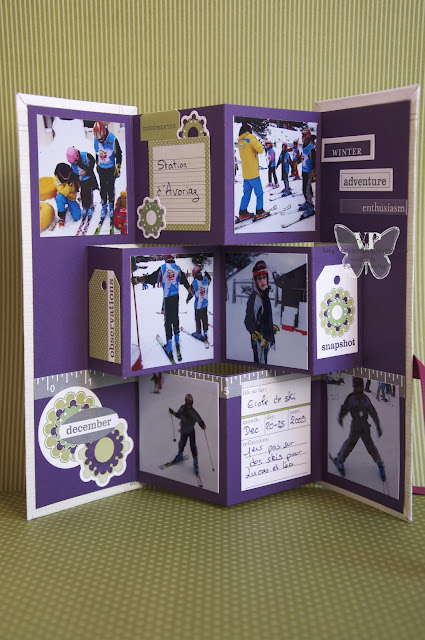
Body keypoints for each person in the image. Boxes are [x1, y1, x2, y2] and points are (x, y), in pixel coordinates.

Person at [133, 255, 190, 361]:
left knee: (168, 322)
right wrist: (189, 290)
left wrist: (140, 279)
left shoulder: (163, 268)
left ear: (166, 260)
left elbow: (152, 279)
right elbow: (185, 281)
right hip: (176, 297)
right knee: (175, 318)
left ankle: (169, 346)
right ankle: (177, 340)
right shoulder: (177, 268)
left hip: (167, 298)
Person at [332, 377, 386, 481]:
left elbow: (373, 412)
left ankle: (379, 463)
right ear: (354, 387)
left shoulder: (365, 399)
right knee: (350, 444)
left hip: (365, 426)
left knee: (370, 446)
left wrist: (378, 425)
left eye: (361, 386)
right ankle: (340, 459)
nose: (359, 388)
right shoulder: (351, 398)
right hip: (355, 426)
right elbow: (344, 408)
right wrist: (341, 417)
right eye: (357, 387)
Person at [244, 260, 279, 364]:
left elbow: (264, 315)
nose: (263, 281)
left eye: (264, 277)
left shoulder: (264, 294)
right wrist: (259, 337)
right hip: (259, 342)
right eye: (259, 278)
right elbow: (248, 321)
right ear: (255, 281)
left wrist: (270, 327)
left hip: (266, 339)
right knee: (261, 364)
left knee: (265, 361)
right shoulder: (255, 298)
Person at [93, 121, 122, 229]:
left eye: (101, 138)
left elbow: (119, 154)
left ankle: (111, 204)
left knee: (110, 187)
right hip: (102, 168)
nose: (100, 140)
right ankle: (104, 205)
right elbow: (97, 153)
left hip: (110, 169)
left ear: (104, 133)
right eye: (98, 139)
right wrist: (97, 163)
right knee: (103, 188)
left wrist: (118, 167)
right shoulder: (96, 139)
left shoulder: (112, 140)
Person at [169, 394, 206, 475]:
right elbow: (179, 415)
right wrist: (173, 412)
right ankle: (180, 455)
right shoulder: (182, 408)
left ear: (192, 403)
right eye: (187, 402)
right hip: (184, 430)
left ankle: (195, 463)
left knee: (193, 446)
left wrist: (202, 425)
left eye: (190, 403)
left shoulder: (193, 411)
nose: (188, 404)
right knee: (181, 443)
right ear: (185, 402)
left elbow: (198, 419)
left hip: (191, 431)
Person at [237, 122, 265, 221]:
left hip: (246, 174)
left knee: (246, 194)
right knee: (259, 193)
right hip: (253, 173)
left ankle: (242, 212)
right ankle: (260, 211)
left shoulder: (240, 141)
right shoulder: (251, 138)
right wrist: (258, 142)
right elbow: (260, 150)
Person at [65, 146, 98, 225]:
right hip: (81, 180)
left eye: (75, 161)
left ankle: (90, 207)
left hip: (89, 179)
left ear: (77, 156)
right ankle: (85, 207)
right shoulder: (73, 163)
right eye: (73, 163)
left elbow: (91, 168)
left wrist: (80, 164)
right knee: (83, 193)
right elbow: (74, 173)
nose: (74, 163)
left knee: (89, 193)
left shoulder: (86, 156)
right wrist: (76, 185)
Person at [186, 266, 211, 343]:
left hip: (198, 306)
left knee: (198, 319)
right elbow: (209, 279)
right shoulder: (206, 279)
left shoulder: (194, 283)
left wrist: (187, 299)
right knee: (204, 317)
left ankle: (198, 333)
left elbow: (191, 293)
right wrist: (207, 274)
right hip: (205, 303)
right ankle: (205, 331)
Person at [54, 162, 81, 228]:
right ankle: (62, 215)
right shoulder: (57, 178)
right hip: (63, 196)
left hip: (71, 198)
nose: (67, 177)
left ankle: (73, 207)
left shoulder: (73, 174)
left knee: (77, 217)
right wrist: (68, 184)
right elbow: (63, 192)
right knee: (59, 198)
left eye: (67, 175)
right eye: (64, 176)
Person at [299, 128, 315, 215]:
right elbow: (302, 157)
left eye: (303, 136)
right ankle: (307, 202)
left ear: (307, 136)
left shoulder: (311, 148)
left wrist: (314, 172)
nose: (302, 138)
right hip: (304, 171)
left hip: (308, 172)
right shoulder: (305, 146)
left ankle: (310, 207)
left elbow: (314, 161)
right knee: (304, 189)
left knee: (307, 190)